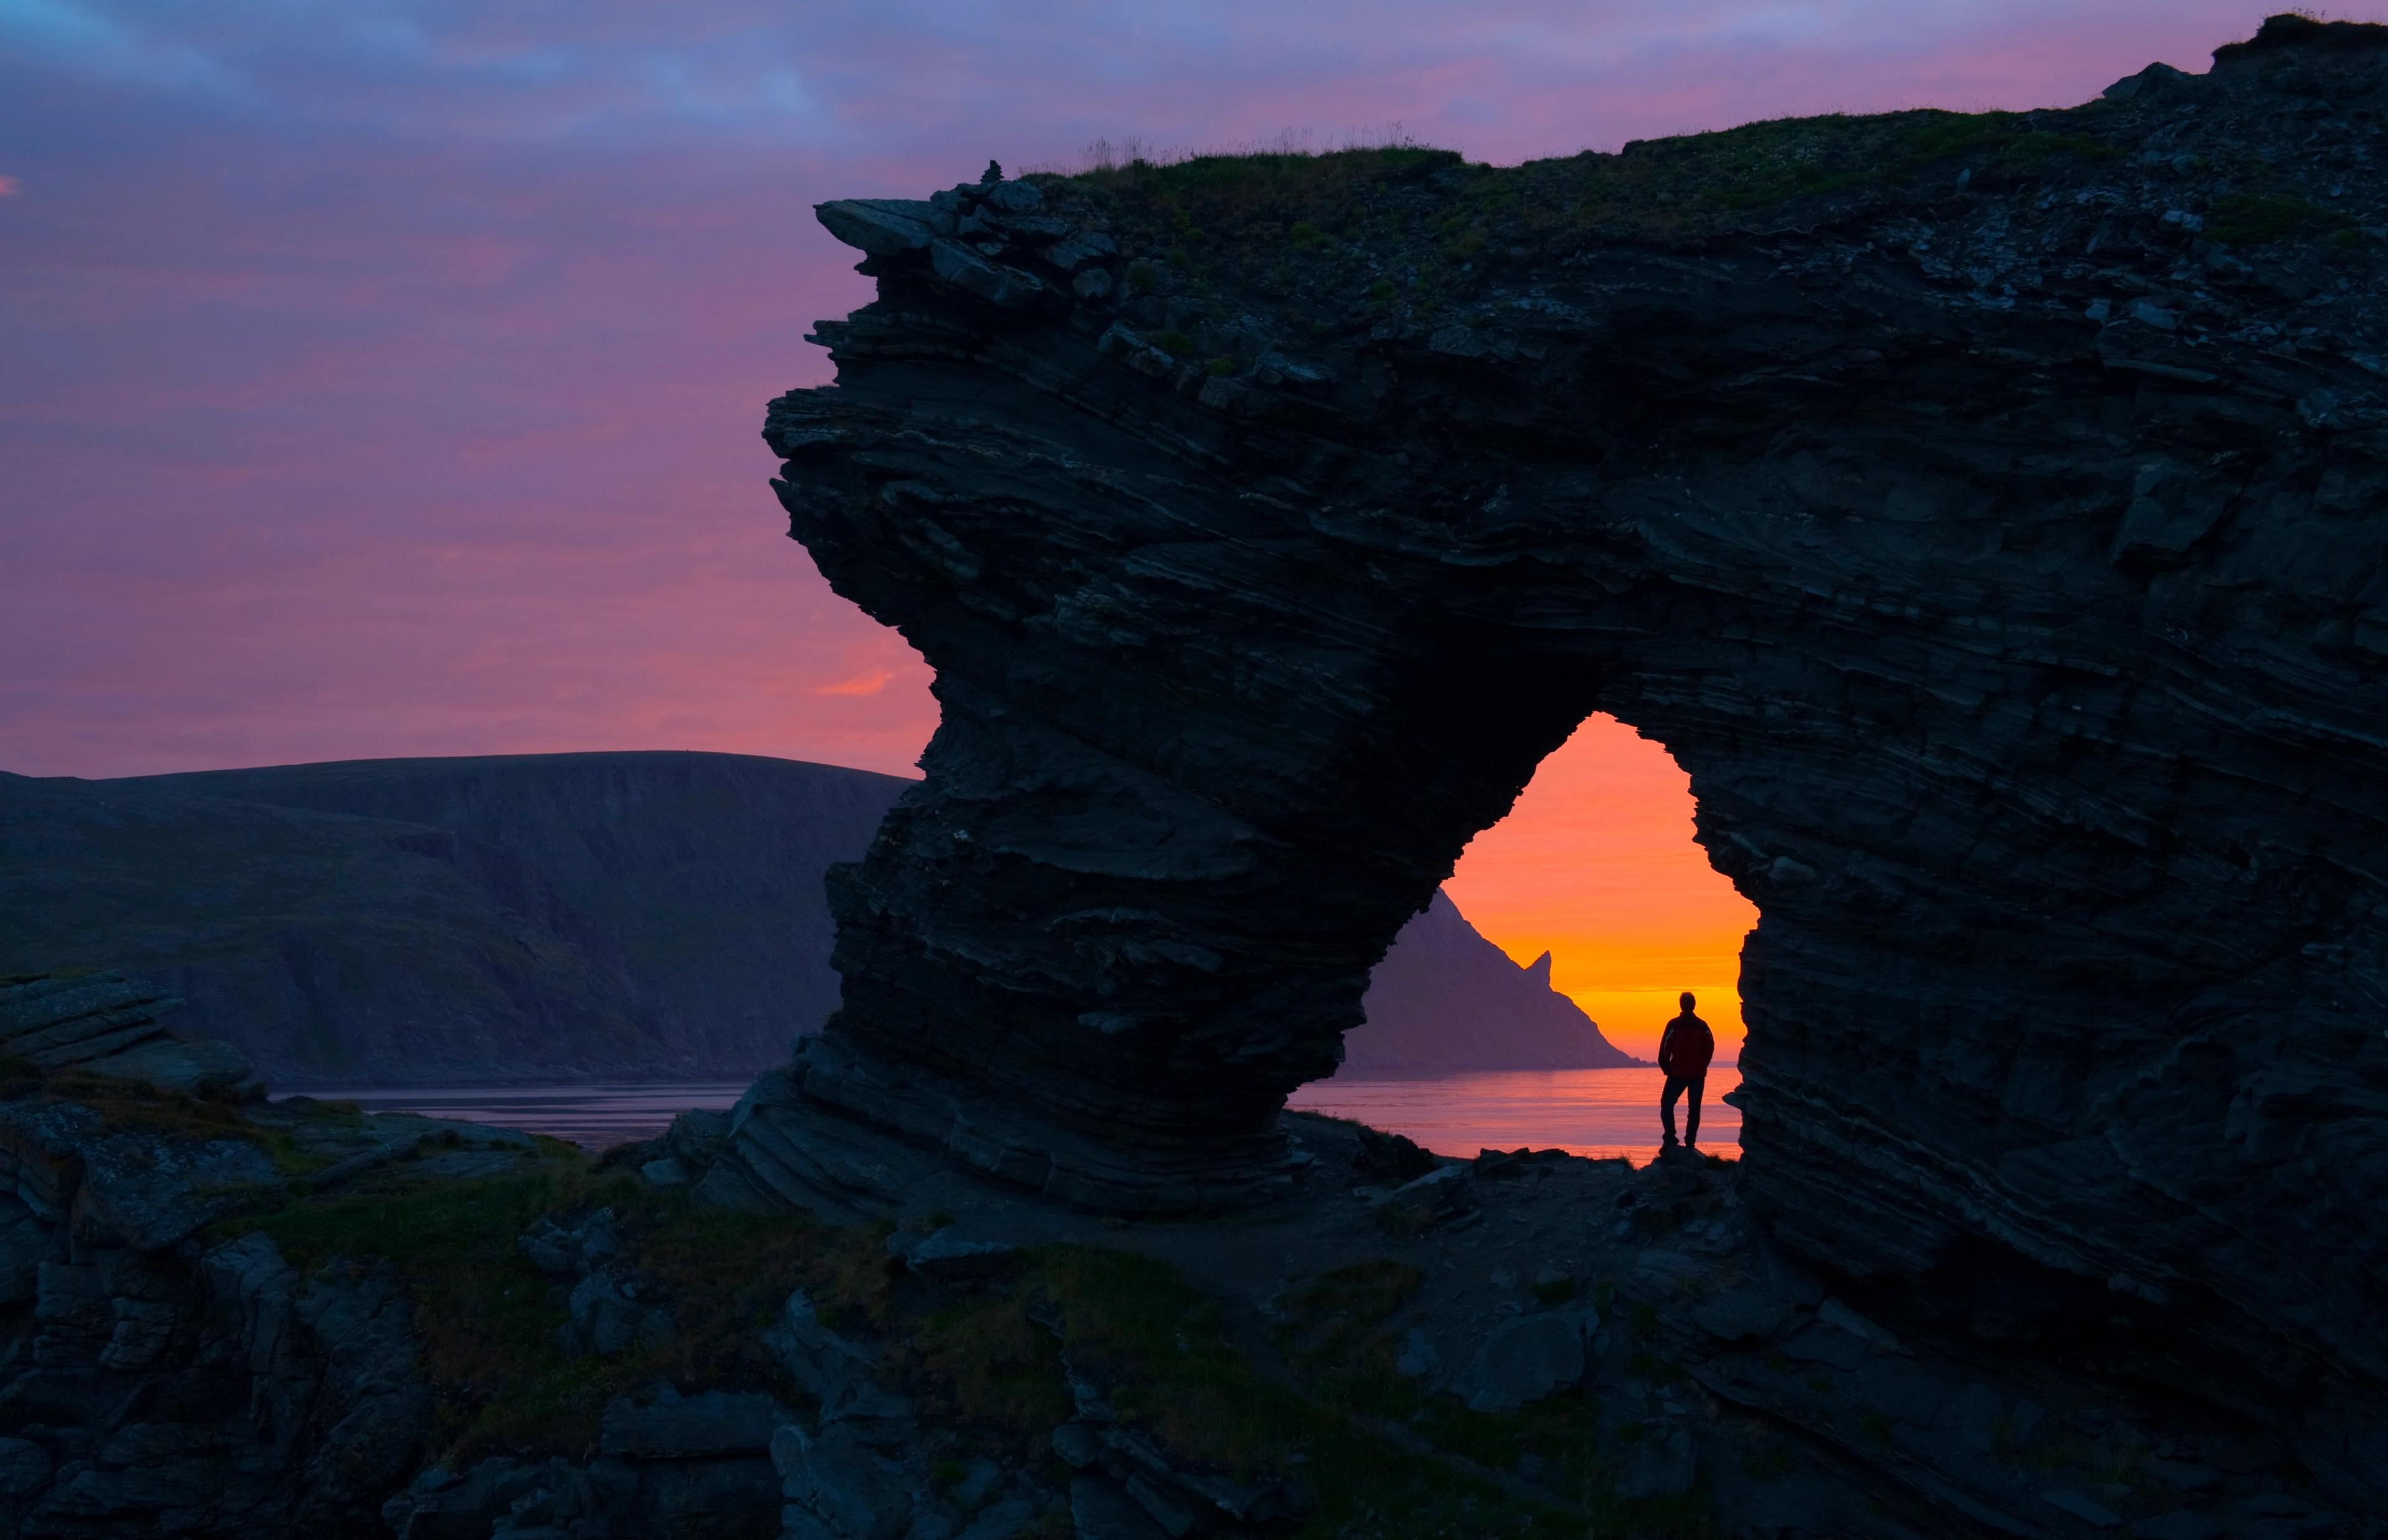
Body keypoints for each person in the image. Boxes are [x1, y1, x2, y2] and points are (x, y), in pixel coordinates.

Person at [1656, 991, 1715, 1149]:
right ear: (1694, 1005)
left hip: (1678, 1073)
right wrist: (1703, 1064)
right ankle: (1690, 1143)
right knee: (1694, 1109)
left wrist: (1667, 1069)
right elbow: (1710, 1047)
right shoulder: (1703, 1026)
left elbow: (1664, 1049)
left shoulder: (1674, 1025)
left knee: (1667, 1104)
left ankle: (1670, 1137)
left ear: (1681, 1005)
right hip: (1697, 1073)